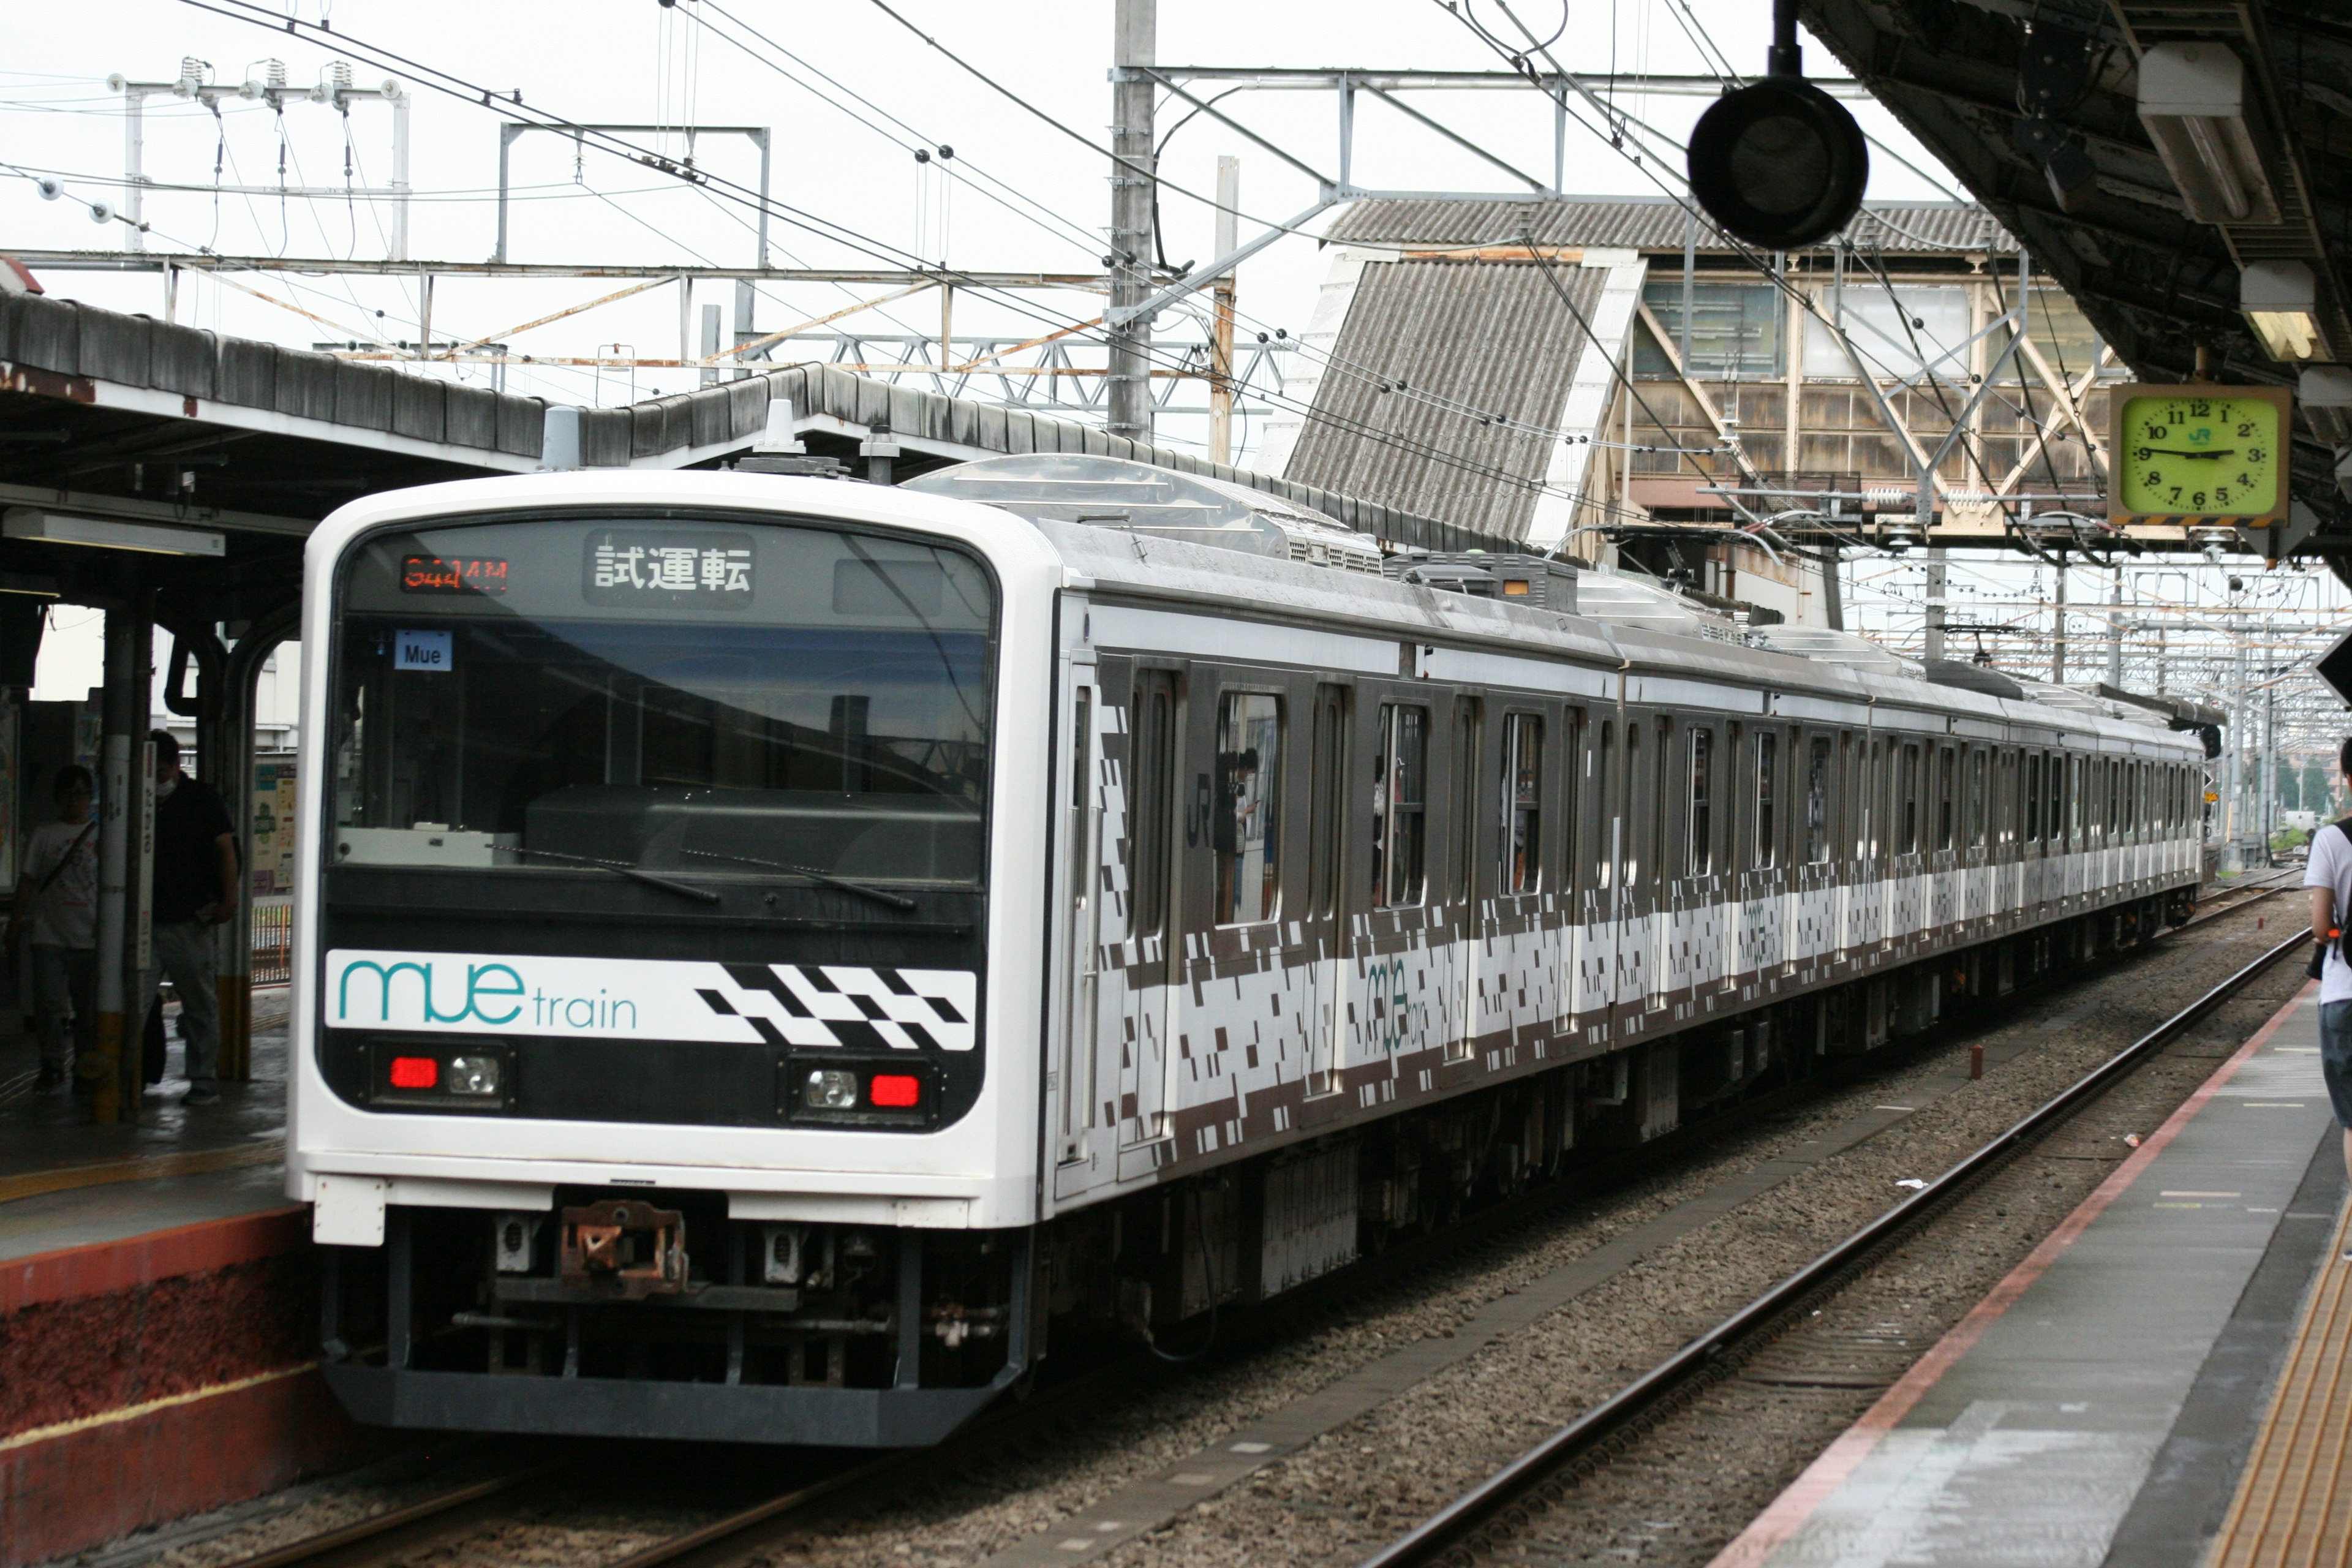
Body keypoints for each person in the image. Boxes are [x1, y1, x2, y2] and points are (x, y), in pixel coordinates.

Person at [143, 731, 238, 1106]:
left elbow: (226, 850)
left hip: (190, 919)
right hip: (145, 920)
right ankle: (128, 1077)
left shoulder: (203, 799)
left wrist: (229, 900)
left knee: (199, 1003)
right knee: (131, 1002)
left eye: (162, 770)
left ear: (175, 764)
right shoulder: (133, 796)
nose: (156, 778)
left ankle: (203, 1079)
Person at [10, 766, 97, 1092]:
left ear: (91, 797)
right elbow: (28, 881)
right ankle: (51, 1064)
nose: (75, 800)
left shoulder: (101, 835)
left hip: (89, 935)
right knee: (48, 1005)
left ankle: (85, 1065)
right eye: (69, 793)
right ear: (58, 797)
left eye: (82, 793)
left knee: (86, 1008)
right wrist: (16, 922)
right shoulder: (43, 834)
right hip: (48, 933)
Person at [2304, 736, 2352, 1234]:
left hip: (2345, 996)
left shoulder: (2332, 840)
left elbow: (2321, 927)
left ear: (2346, 776)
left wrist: (2338, 931)